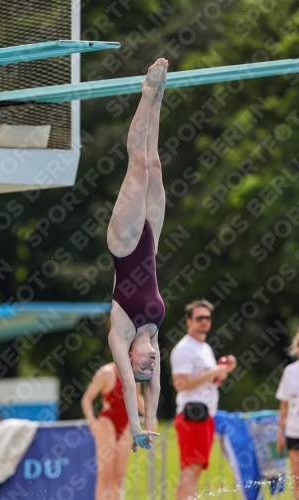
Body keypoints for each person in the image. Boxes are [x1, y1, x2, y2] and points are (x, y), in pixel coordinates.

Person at [107, 58, 168, 451]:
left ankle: (146, 93)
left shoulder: (122, 332)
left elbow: (130, 384)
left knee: (140, 165)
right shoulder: (156, 334)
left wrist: (134, 429)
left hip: (126, 244)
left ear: (131, 356)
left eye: (142, 366)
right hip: (152, 242)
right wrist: (150, 420)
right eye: (151, 367)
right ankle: (161, 93)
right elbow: (152, 389)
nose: (148, 367)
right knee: (157, 163)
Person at [170, 299, 237, 500]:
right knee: (190, 471)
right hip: (192, 417)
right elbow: (180, 384)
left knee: (195, 471)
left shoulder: (205, 348)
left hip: (204, 415)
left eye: (207, 317)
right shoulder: (184, 349)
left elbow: (209, 381)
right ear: (189, 321)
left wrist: (222, 371)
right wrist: (213, 372)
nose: (204, 321)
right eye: (199, 318)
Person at [81, 362, 149, 500]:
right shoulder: (106, 372)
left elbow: (136, 398)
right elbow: (87, 398)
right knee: (106, 474)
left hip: (124, 425)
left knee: (118, 477)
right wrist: (92, 422)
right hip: (107, 423)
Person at [276, 330, 299, 500]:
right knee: (297, 480)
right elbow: (283, 404)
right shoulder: (290, 372)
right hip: (294, 430)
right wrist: (280, 434)